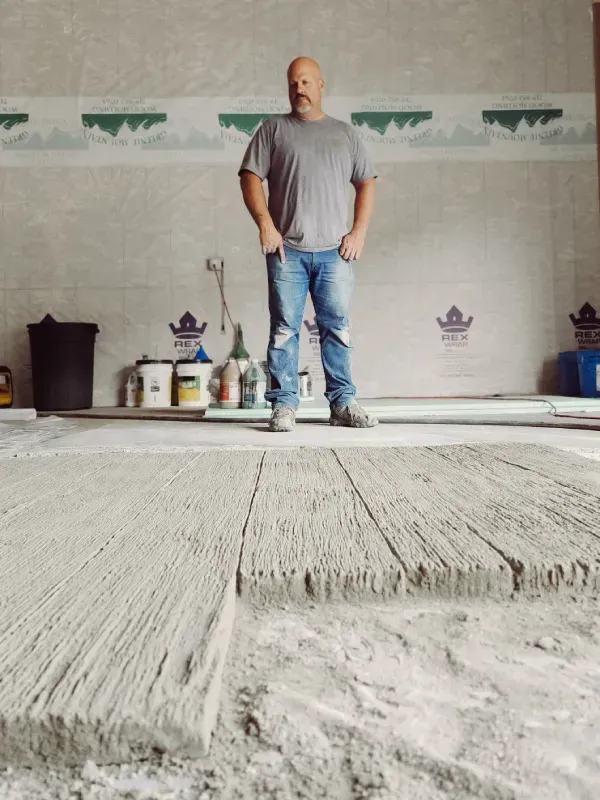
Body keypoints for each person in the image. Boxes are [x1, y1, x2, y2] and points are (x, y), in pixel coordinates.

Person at [239, 56, 378, 433]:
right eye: (292, 83)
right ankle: (284, 406)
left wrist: (359, 231)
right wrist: (266, 225)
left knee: (337, 328)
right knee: (284, 330)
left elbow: (367, 182)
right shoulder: (272, 130)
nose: (298, 89)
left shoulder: (345, 134)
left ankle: (343, 403)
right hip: (288, 253)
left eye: (305, 82)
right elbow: (250, 177)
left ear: (320, 85)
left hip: (334, 253)